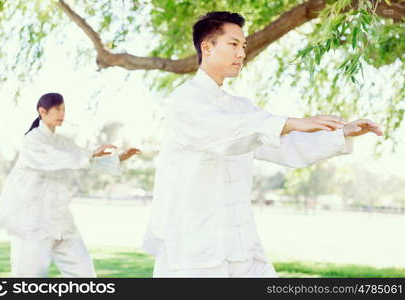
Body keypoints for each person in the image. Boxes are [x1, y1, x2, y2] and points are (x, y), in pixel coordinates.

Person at [142, 11, 382, 277]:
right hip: (194, 246)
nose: (241, 53)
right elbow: (225, 135)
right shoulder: (185, 101)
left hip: (242, 244)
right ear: (207, 47)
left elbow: (282, 144)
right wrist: (292, 122)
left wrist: (340, 133)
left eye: (243, 46)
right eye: (233, 44)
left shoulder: (241, 107)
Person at [0, 92, 140, 277]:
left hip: (61, 221)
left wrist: (119, 158)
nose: (62, 113)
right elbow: (57, 158)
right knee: (29, 280)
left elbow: (85, 161)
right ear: (42, 111)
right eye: (57, 109)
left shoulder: (64, 142)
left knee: (84, 273)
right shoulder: (32, 141)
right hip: (32, 222)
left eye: (64, 109)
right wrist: (91, 153)